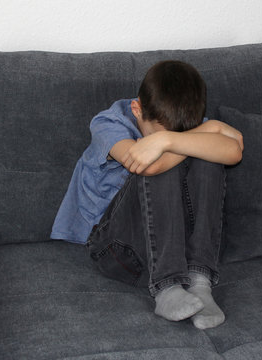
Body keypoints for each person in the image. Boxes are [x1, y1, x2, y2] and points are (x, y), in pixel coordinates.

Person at [51, 60, 243, 329]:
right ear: (136, 109)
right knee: (158, 166)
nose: (164, 139)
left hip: (180, 252)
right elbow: (149, 165)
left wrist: (165, 140)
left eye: (179, 134)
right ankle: (167, 288)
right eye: (157, 134)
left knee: (207, 157)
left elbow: (235, 149)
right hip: (118, 250)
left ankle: (200, 283)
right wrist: (180, 140)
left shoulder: (180, 124)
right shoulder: (107, 123)